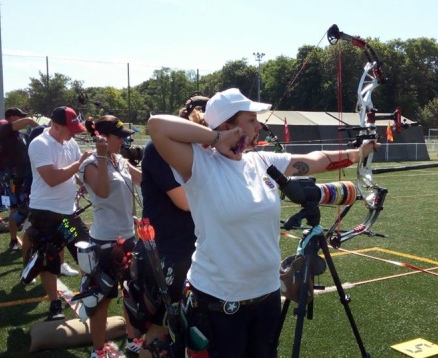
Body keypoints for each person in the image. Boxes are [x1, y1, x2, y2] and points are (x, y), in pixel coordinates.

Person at [147, 88, 378, 357]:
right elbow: (157, 127)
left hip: (266, 294)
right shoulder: (200, 164)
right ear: (227, 125)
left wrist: (357, 153)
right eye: (251, 120)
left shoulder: (263, 161)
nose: (259, 126)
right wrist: (216, 138)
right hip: (218, 301)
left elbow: (315, 160)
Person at [135, 94, 207, 356]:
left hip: (192, 247)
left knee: (188, 327)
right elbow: (185, 201)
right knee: (160, 329)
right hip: (167, 249)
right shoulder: (158, 149)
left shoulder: (198, 151)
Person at [78, 115, 143, 358]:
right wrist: (103, 155)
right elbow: (103, 192)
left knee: (130, 293)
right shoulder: (91, 163)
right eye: (120, 136)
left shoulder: (122, 161)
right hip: (104, 242)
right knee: (101, 300)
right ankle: (98, 350)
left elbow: (142, 179)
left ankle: (133, 337)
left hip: (128, 239)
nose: (124, 140)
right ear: (103, 138)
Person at [26, 105, 92, 321]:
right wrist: (79, 163)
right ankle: (55, 303)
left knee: (86, 253)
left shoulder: (70, 142)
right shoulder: (39, 144)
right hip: (45, 212)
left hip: (67, 213)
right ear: (55, 126)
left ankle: (89, 298)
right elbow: (52, 179)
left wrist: (83, 182)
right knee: (49, 259)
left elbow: (75, 172)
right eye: (70, 129)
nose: (74, 134)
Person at [0, 108, 39, 251]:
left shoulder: (23, 136)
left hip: (28, 176)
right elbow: (28, 121)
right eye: (19, 117)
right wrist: (41, 127)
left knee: (31, 207)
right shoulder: (4, 130)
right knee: (15, 209)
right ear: (10, 118)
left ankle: (32, 238)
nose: (22, 119)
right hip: (15, 177)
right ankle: (13, 240)